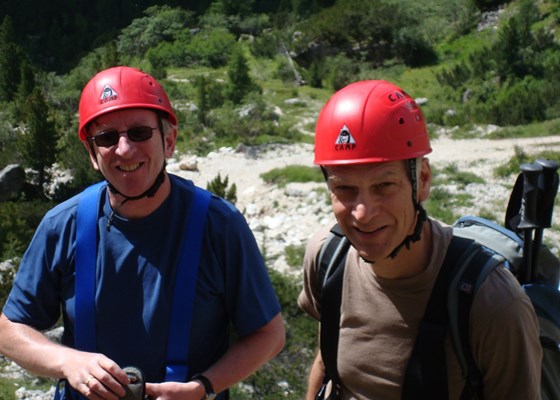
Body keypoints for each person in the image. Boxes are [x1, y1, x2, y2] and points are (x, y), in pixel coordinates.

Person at [0, 66, 285, 400]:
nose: (124, 149)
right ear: (92, 153)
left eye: (139, 133)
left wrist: (203, 387)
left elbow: (269, 334)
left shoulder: (219, 225)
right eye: (106, 138)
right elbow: (9, 330)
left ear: (169, 140)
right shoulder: (63, 225)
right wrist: (66, 361)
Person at [298, 80, 542, 399]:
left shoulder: (493, 304)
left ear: (422, 181)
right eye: (344, 189)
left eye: (384, 186)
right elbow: (327, 358)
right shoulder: (328, 258)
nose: (362, 213)